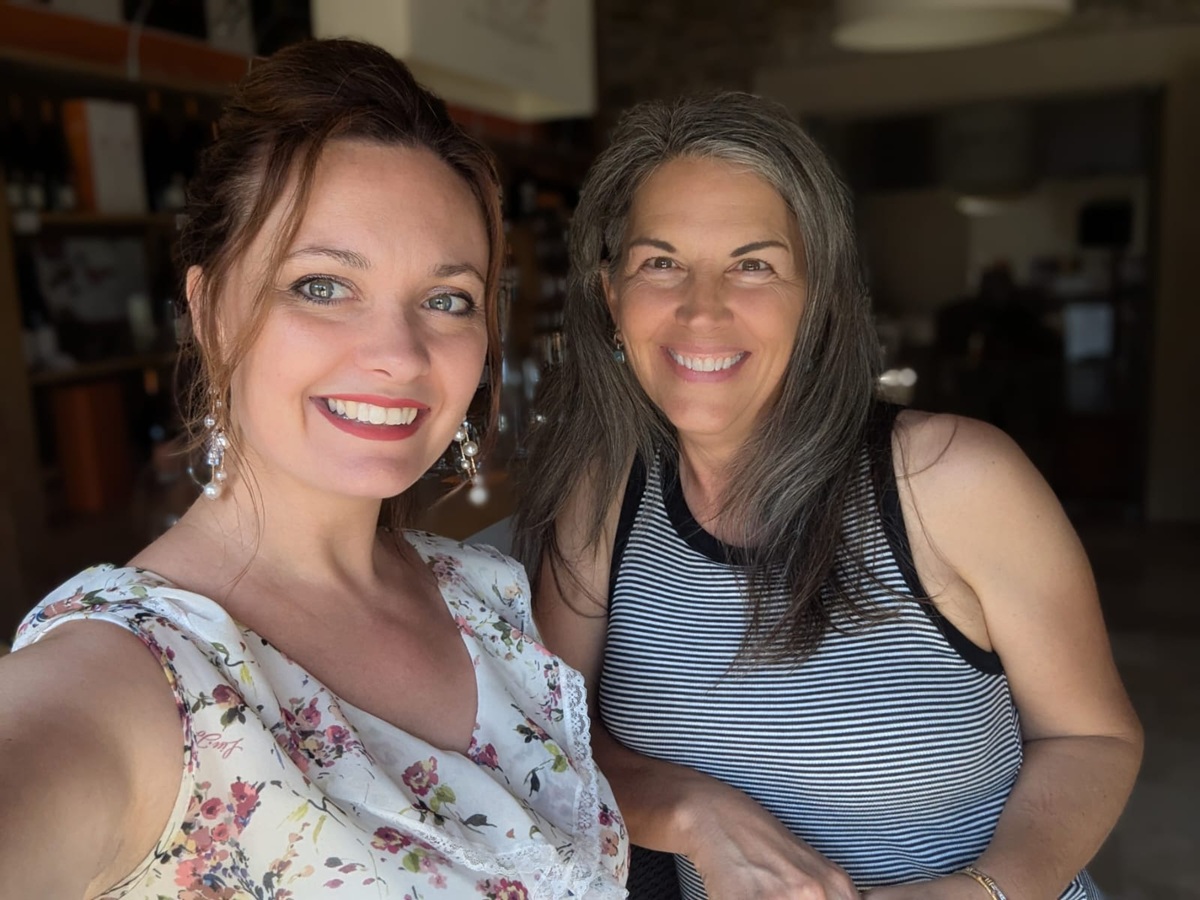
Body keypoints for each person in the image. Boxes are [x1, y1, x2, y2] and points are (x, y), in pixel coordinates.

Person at [0, 39, 627, 900]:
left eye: (448, 299)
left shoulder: (488, 596)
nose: (398, 354)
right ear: (211, 309)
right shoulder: (139, 677)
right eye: (324, 285)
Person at [513, 91, 1142, 900]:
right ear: (610, 297)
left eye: (754, 264)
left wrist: (985, 892)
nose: (702, 308)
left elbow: (1091, 736)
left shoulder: (948, 479)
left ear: (817, 299)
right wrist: (693, 811)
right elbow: (551, 739)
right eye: (660, 262)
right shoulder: (607, 491)